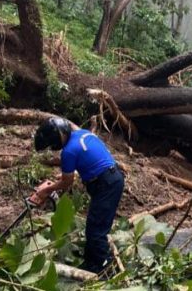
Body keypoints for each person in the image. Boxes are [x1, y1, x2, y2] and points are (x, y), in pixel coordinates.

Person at [33, 117, 124, 273]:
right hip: (112, 177)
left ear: (56, 139)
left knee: (96, 230)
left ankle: (106, 267)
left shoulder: (68, 151)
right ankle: (91, 264)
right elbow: (87, 158)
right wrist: (57, 181)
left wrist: (45, 190)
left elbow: (67, 182)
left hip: (105, 184)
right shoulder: (81, 134)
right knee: (93, 225)